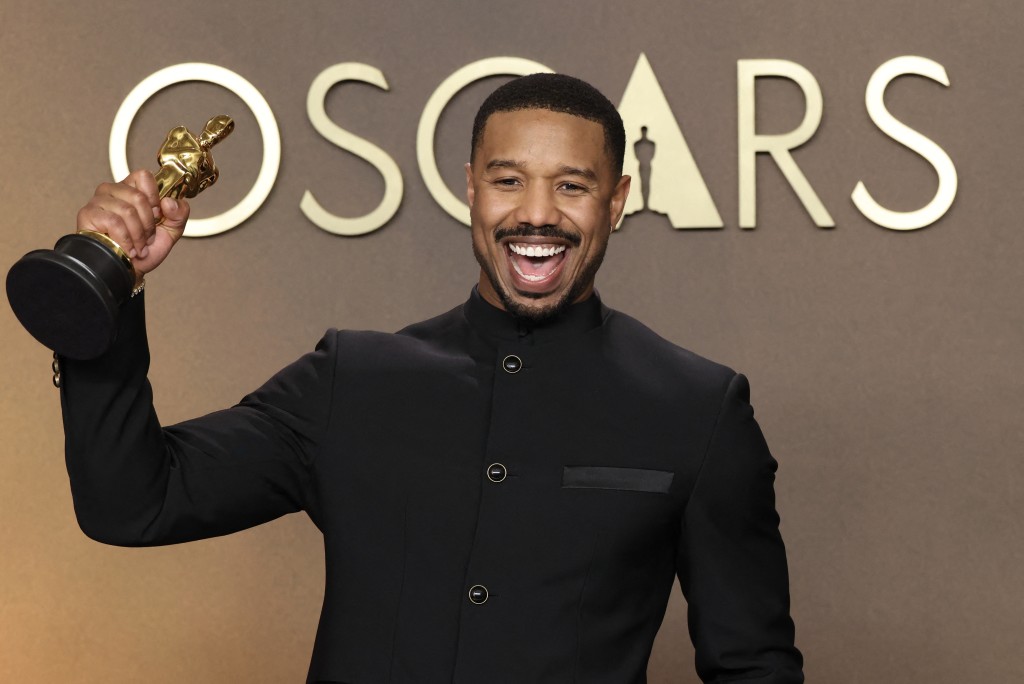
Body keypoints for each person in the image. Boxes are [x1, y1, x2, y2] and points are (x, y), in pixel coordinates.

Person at [61, 73, 804, 683]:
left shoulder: (700, 409)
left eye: (573, 187)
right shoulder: (350, 381)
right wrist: (106, 299)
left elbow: (754, 667)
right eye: (508, 180)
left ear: (616, 200)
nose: (536, 214)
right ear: (470, 190)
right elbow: (133, 504)